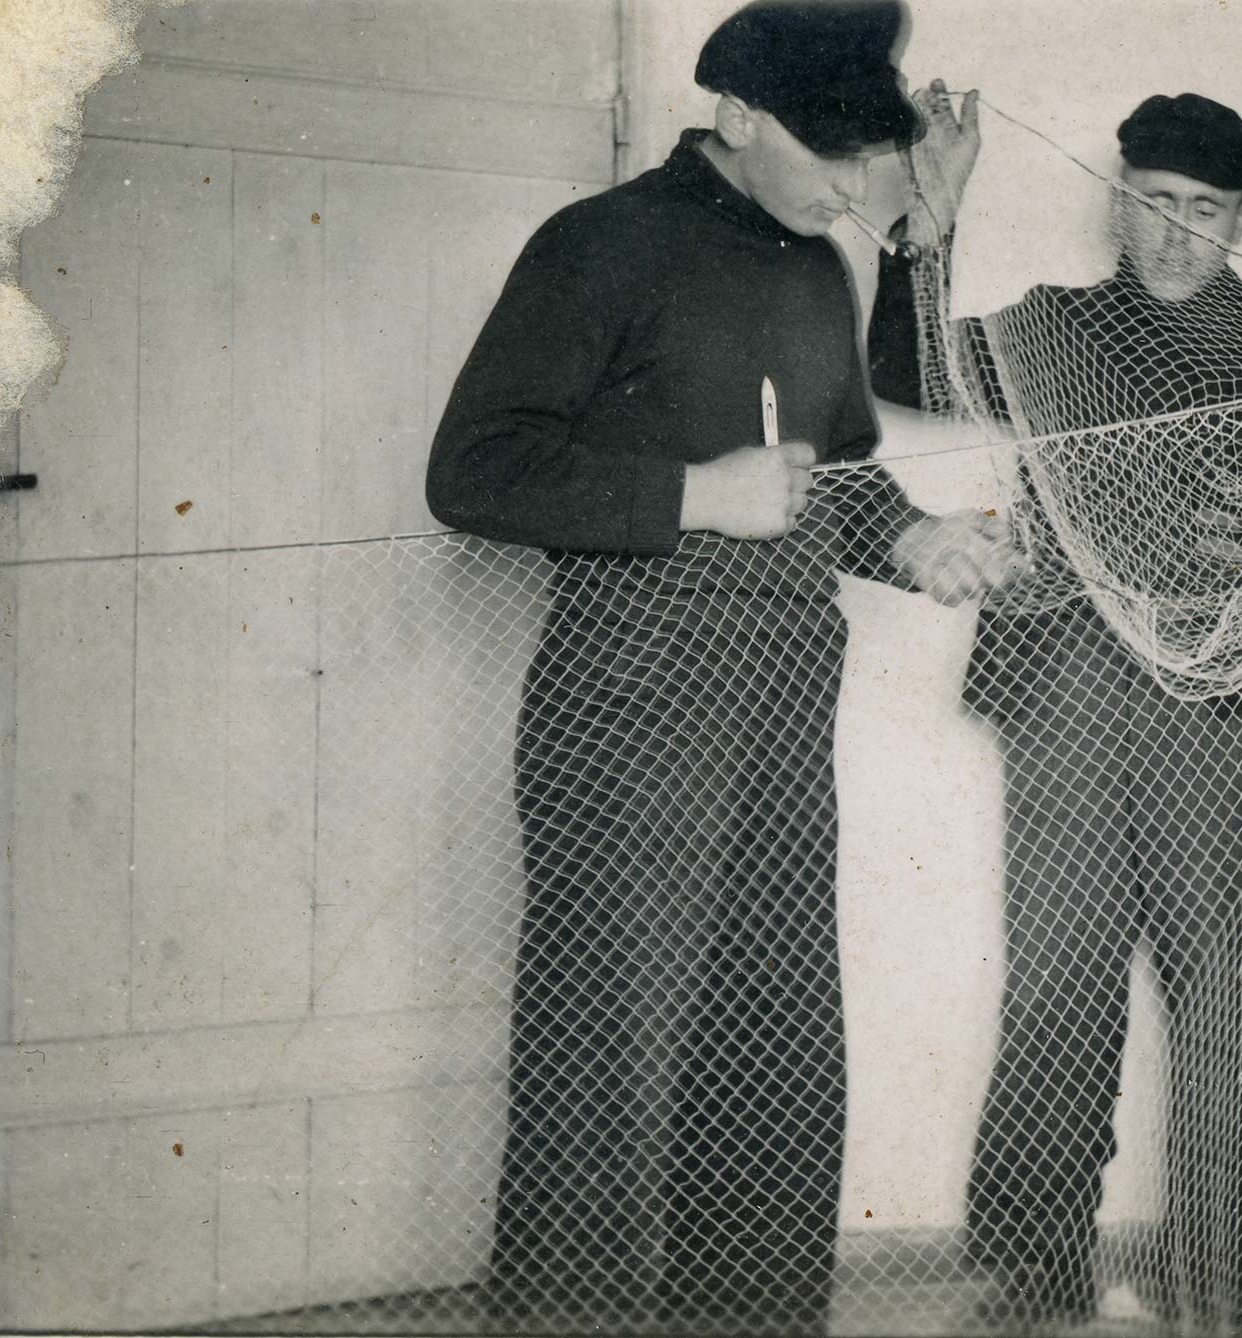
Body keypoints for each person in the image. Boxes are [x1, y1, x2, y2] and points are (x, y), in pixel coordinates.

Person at [426, 3, 1018, 1330]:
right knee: (607, 1069)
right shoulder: (600, 243)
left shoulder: (817, 267)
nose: (853, 186)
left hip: (781, 713)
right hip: (628, 714)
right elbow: (473, 470)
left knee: (773, 1056)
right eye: (829, 154)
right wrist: (698, 494)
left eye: (868, 157)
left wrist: (917, 535)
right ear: (737, 115)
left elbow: (834, 477)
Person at [869, 88, 1242, 1328]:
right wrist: (930, 223)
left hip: (1219, 709)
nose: (1176, 232)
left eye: (1205, 209)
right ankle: (1034, 1273)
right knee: (1059, 984)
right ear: (1118, 202)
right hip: (1070, 690)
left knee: (1222, 1000)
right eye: (1154, 203)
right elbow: (908, 372)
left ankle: (1217, 1289)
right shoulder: (1055, 326)